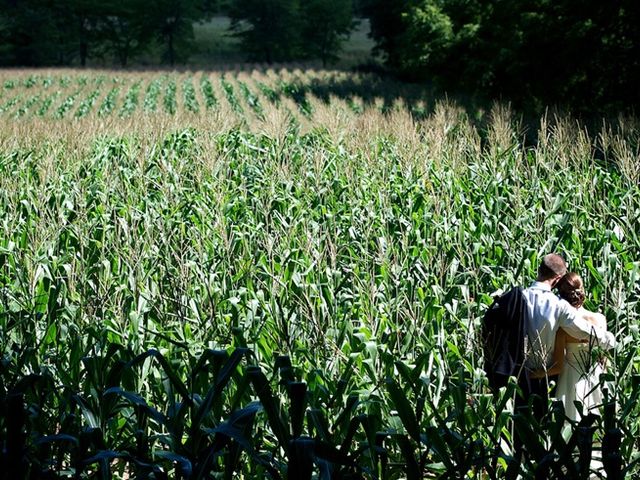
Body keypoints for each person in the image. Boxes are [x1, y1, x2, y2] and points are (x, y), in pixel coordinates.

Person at [520, 254, 615, 416]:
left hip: (562, 379)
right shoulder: (595, 318)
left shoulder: (519, 296)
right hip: (595, 377)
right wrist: (609, 339)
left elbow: (558, 365)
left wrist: (528, 374)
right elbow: (600, 354)